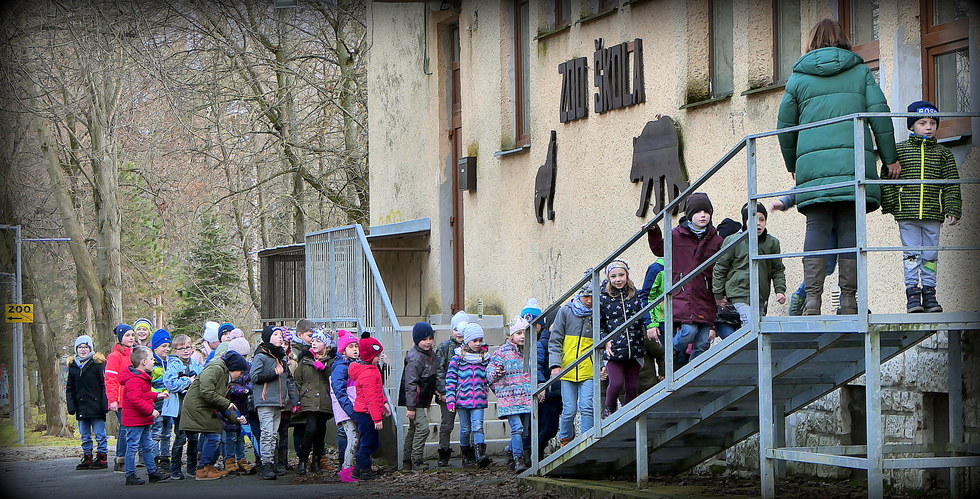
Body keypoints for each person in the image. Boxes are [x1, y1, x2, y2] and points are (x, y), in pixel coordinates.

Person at [777, 18, 899, 315]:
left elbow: (784, 127)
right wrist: (890, 157)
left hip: (813, 169)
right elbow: (880, 116)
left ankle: (813, 300)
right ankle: (848, 301)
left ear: (812, 41)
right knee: (849, 230)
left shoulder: (798, 78)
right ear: (843, 39)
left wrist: (794, 165)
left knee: (816, 228)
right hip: (853, 167)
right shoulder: (860, 73)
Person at [881, 100, 962, 313]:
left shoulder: (944, 154)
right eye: (922, 122)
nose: (928, 127)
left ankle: (929, 293)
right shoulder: (899, 151)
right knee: (911, 254)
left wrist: (952, 208)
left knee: (930, 255)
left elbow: (951, 183)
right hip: (907, 213)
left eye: (933, 123)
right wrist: (892, 205)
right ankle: (913, 294)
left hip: (933, 213)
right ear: (911, 126)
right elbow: (887, 177)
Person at [646, 192, 724, 369]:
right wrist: (654, 231)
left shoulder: (716, 240)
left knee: (703, 340)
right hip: (683, 293)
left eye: (706, 212)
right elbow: (659, 249)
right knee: (689, 331)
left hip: (705, 294)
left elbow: (722, 267)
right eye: (698, 212)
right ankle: (672, 350)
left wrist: (721, 293)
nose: (703, 215)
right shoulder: (676, 235)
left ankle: (692, 371)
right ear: (689, 215)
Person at [712, 202, 787, 337]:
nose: (758, 223)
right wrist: (718, 295)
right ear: (745, 222)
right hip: (738, 293)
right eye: (752, 219)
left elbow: (777, 269)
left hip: (760, 295)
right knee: (751, 327)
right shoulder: (734, 241)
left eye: (761, 219)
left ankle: (747, 356)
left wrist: (780, 290)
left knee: (756, 330)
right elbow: (720, 268)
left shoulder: (772, 243)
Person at [180, 350, 249, 480]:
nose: (240, 376)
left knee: (214, 433)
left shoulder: (223, 376)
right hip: (198, 408)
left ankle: (208, 467)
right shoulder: (216, 369)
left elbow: (220, 402)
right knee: (213, 437)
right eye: (240, 372)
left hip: (204, 408)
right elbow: (207, 392)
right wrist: (226, 403)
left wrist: (236, 418)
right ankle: (203, 469)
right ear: (234, 368)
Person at [770, 194, 839, 316]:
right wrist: (785, 201)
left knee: (846, 259)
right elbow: (806, 182)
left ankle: (849, 301)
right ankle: (801, 295)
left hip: (846, 211)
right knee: (826, 264)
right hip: (825, 213)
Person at [599, 259, 650, 415]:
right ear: (608, 278)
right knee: (616, 383)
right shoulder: (603, 298)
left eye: (621, 275)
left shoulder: (637, 295)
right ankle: (610, 410)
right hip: (614, 349)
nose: (618, 279)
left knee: (633, 387)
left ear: (627, 275)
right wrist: (605, 340)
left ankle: (629, 414)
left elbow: (645, 315)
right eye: (613, 276)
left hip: (634, 347)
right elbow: (598, 324)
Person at [547, 282, 595, 446]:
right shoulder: (566, 311)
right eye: (586, 296)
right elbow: (555, 340)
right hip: (567, 369)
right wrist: (555, 364)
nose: (589, 300)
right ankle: (566, 439)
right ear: (579, 295)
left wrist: (601, 365)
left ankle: (588, 439)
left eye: (592, 296)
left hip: (589, 368)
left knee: (587, 406)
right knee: (569, 409)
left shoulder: (597, 313)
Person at [120, 346, 171, 485]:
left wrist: (157, 395)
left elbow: (143, 394)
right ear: (143, 362)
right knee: (132, 447)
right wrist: (150, 410)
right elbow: (135, 399)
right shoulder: (134, 379)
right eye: (151, 359)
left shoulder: (141, 377)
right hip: (134, 420)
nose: (153, 362)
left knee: (147, 446)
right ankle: (130, 475)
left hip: (142, 420)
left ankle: (152, 472)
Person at [489, 316, 532, 473]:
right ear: (511, 335)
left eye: (524, 333)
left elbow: (534, 371)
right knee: (517, 428)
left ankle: (509, 450)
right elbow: (489, 373)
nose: (522, 336)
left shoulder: (530, 351)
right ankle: (518, 459)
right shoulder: (502, 352)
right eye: (518, 333)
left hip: (526, 397)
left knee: (525, 431)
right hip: (509, 397)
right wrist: (496, 373)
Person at [445, 322, 492, 469]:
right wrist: (451, 400)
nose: (478, 344)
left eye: (480, 340)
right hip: (462, 400)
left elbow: (489, 378)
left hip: (478, 398)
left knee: (478, 426)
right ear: (467, 341)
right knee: (465, 428)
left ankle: (480, 455)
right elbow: (451, 379)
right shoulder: (457, 358)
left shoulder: (484, 358)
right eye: (475, 341)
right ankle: (466, 455)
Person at [250, 326, 295, 480]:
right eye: (276, 334)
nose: (280, 337)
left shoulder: (281, 357)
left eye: (281, 335)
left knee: (273, 434)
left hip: (279, 402)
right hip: (265, 401)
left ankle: (272, 461)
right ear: (268, 337)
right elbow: (255, 377)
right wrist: (274, 373)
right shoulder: (261, 356)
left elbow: (288, 380)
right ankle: (266, 464)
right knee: (267, 433)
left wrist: (292, 399)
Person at [348, 332, 391, 481]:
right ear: (369, 357)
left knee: (370, 441)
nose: (379, 358)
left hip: (366, 412)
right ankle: (364, 470)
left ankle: (359, 469)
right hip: (366, 413)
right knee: (367, 442)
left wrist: (384, 402)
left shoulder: (371, 371)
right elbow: (371, 397)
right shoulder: (369, 373)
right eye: (377, 356)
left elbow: (378, 391)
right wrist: (377, 418)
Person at [294, 331, 335, 475]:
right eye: (313, 341)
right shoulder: (305, 360)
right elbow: (297, 380)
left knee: (320, 432)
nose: (314, 343)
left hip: (324, 400)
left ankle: (316, 462)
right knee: (310, 429)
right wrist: (302, 395)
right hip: (309, 400)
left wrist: (324, 369)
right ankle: (302, 460)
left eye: (318, 341)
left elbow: (333, 378)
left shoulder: (331, 361)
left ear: (326, 344)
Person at [66, 334, 109, 470]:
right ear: (76, 349)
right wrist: (71, 406)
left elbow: (104, 385)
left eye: (86, 347)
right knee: (84, 435)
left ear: (90, 348)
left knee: (100, 434)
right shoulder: (73, 366)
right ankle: (87, 457)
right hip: (81, 406)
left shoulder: (98, 364)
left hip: (96, 406)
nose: (83, 350)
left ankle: (102, 457)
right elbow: (70, 388)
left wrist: (104, 404)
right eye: (80, 347)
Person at [163, 334, 202, 480]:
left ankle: (192, 468)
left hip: (193, 407)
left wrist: (193, 382)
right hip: (179, 407)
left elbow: (201, 380)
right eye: (181, 348)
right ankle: (175, 469)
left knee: (194, 438)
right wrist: (188, 380)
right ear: (175, 351)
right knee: (180, 437)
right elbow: (170, 384)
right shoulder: (174, 365)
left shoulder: (196, 365)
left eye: (188, 347)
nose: (185, 351)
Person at [399, 322, 437, 471]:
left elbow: (431, 377)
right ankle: (417, 460)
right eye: (424, 339)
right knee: (423, 428)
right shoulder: (415, 358)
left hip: (422, 398)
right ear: (416, 340)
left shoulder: (430, 354)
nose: (428, 342)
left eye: (430, 338)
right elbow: (410, 384)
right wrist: (411, 407)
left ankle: (407, 461)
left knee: (413, 429)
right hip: (415, 400)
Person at [526, 300, 560, 460]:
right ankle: (535, 451)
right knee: (548, 426)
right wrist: (541, 385)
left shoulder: (565, 341)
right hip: (548, 393)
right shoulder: (543, 344)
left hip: (563, 390)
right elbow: (536, 366)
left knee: (555, 426)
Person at [434, 310, 469, 466]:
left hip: (467, 393)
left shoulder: (473, 346)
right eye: (456, 329)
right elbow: (439, 370)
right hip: (448, 393)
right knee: (447, 424)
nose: (459, 333)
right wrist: (443, 392)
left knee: (468, 426)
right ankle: (444, 452)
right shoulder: (444, 347)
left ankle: (468, 453)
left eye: (462, 330)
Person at [222, 338, 256, 476]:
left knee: (241, 435)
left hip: (243, 406)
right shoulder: (225, 369)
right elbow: (228, 387)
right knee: (229, 436)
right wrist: (243, 389)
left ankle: (241, 459)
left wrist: (245, 389)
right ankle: (229, 460)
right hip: (228, 407)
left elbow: (251, 385)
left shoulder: (249, 368)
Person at [330, 329, 360, 482]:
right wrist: (350, 410)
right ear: (343, 350)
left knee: (355, 439)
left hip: (354, 408)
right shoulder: (341, 367)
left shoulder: (354, 364)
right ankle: (346, 469)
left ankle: (351, 468)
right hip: (346, 410)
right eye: (351, 346)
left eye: (356, 346)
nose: (355, 349)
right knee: (353, 439)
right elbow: (339, 392)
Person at [105, 323, 136, 473]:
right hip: (121, 399)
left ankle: (129, 459)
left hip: (134, 397)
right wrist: (112, 400)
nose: (131, 338)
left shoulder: (135, 353)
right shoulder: (114, 356)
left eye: (132, 335)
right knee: (125, 429)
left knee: (131, 429)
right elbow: (110, 379)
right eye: (127, 335)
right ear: (120, 338)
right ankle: (121, 459)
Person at [149, 329, 177, 472]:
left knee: (167, 432)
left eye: (168, 346)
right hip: (156, 404)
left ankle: (165, 458)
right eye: (163, 346)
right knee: (156, 432)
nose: (166, 349)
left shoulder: (171, 362)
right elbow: (148, 385)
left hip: (169, 404)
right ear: (155, 347)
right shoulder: (151, 363)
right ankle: (154, 459)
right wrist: (157, 394)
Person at [639, 259, 668, 386]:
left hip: (679, 319)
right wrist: (652, 323)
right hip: (659, 321)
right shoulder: (657, 269)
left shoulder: (687, 261)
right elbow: (646, 296)